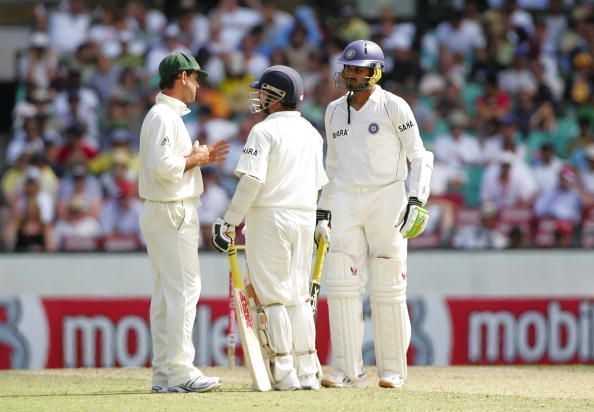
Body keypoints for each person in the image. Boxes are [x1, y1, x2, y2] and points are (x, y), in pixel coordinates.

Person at [316, 40, 433, 389]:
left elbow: (419, 155)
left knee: (388, 286)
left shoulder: (394, 107)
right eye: (347, 68)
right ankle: (346, 369)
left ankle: (392, 371)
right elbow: (331, 165)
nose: (349, 74)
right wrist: (324, 209)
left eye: (357, 69)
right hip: (346, 199)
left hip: (387, 196)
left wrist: (416, 199)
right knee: (341, 284)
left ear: (375, 72)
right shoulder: (334, 110)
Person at [211, 65, 327, 391]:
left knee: (273, 296)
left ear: (275, 97)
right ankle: (308, 371)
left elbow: (252, 181)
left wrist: (230, 220)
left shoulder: (263, 131)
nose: (258, 97)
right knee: (298, 297)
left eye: (262, 91)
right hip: (304, 217)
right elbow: (319, 185)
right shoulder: (312, 133)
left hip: (270, 217)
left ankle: (285, 373)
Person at [138, 51, 229, 394]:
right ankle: (179, 371)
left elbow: (165, 164)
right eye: (195, 78)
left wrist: (194, 158)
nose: (198, 85)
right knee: (183, 291)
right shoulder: (164, 116)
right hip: (172, 210)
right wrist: (197, 158)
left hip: (164, 209)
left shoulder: (164, 115)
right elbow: (164, 167)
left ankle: (164, 373)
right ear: (182, 77)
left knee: (166, 295)